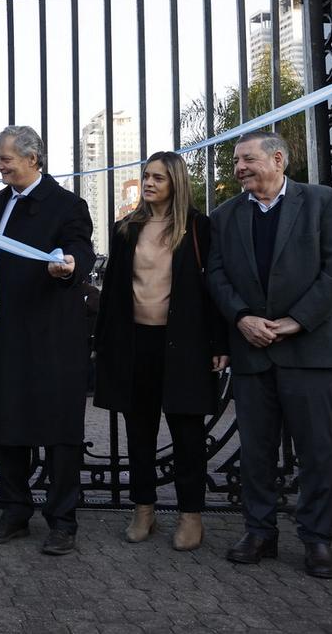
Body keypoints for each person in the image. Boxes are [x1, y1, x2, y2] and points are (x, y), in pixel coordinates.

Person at [206, 130, 332, 579]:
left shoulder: (324, 202)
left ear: (278, 159)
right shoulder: (225, 216)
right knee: (255, 451)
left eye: (247, 159)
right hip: (252, 351)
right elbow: (215, 274)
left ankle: (316, 540)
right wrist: (241, 319)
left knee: (316, 452)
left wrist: (295, 321)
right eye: (236, 162)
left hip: (310, 350)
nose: (239, 168)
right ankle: (259, 531)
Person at [0, 125, 94, 556]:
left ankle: (63, 522)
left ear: (33, 159)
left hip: (50, 339)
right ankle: (14, 511)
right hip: (2, 333)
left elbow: (80, 250)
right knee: (7, 429)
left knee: (59, 433)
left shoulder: (66, 204)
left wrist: (69, 267)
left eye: (6, 159)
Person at [92, 152, 229, 550]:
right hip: (136, 343)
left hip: (183, 343)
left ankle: (190, 515)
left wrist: (219, 343)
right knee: (140, 431)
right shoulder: (125, 229)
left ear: (176, 184)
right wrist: (103, 343)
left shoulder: (199, 227)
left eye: (158, 178)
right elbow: (113, 293)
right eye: (146, 176)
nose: (149, 183)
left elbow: (211, 288)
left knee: (187, 432)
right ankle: (144, 510)